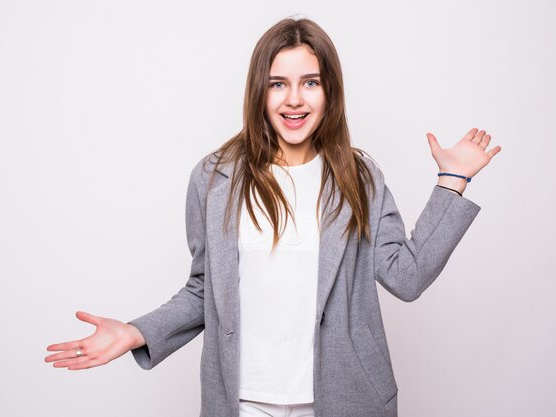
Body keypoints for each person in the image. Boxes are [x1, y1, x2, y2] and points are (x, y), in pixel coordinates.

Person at [45, 17, 501, 417]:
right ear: (259, 91)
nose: (293, 100)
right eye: (277, 82)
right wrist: (135, 332)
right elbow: (205, 288)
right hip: (243, 401)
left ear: (330, 91)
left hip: (346, 397)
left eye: (311, 82)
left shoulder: (358, 176)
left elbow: (407, 275)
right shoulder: (214, 176)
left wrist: (452, 181)